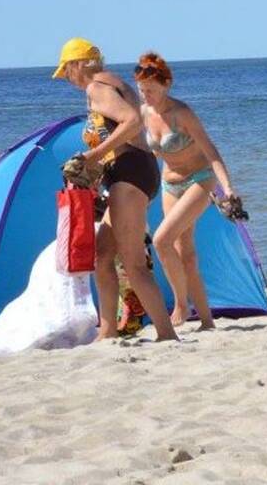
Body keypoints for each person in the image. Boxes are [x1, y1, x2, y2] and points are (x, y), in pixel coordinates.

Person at [52, 38, 178, 342]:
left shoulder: (96, 87)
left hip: (130, 173)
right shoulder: (113, 82)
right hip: (131, 172)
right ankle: (107, 331)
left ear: (77, 65)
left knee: (134, 264)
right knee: (103, 254)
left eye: (66, 71)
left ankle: (167, 334)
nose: (66, 78)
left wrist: (92, 156)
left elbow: (132, 123)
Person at [134, 51, 242, 330]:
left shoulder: (182, 114)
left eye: (151, 90)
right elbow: (146, 150)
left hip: (199, 179)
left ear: (166, 85)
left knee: (161, 240)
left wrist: (228, 189)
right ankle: (206, 321)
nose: (146, 95)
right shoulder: (144, 112)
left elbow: (211, 152)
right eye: (142, 90)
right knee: (186, 254)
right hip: (170, 184)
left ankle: (181, 304)